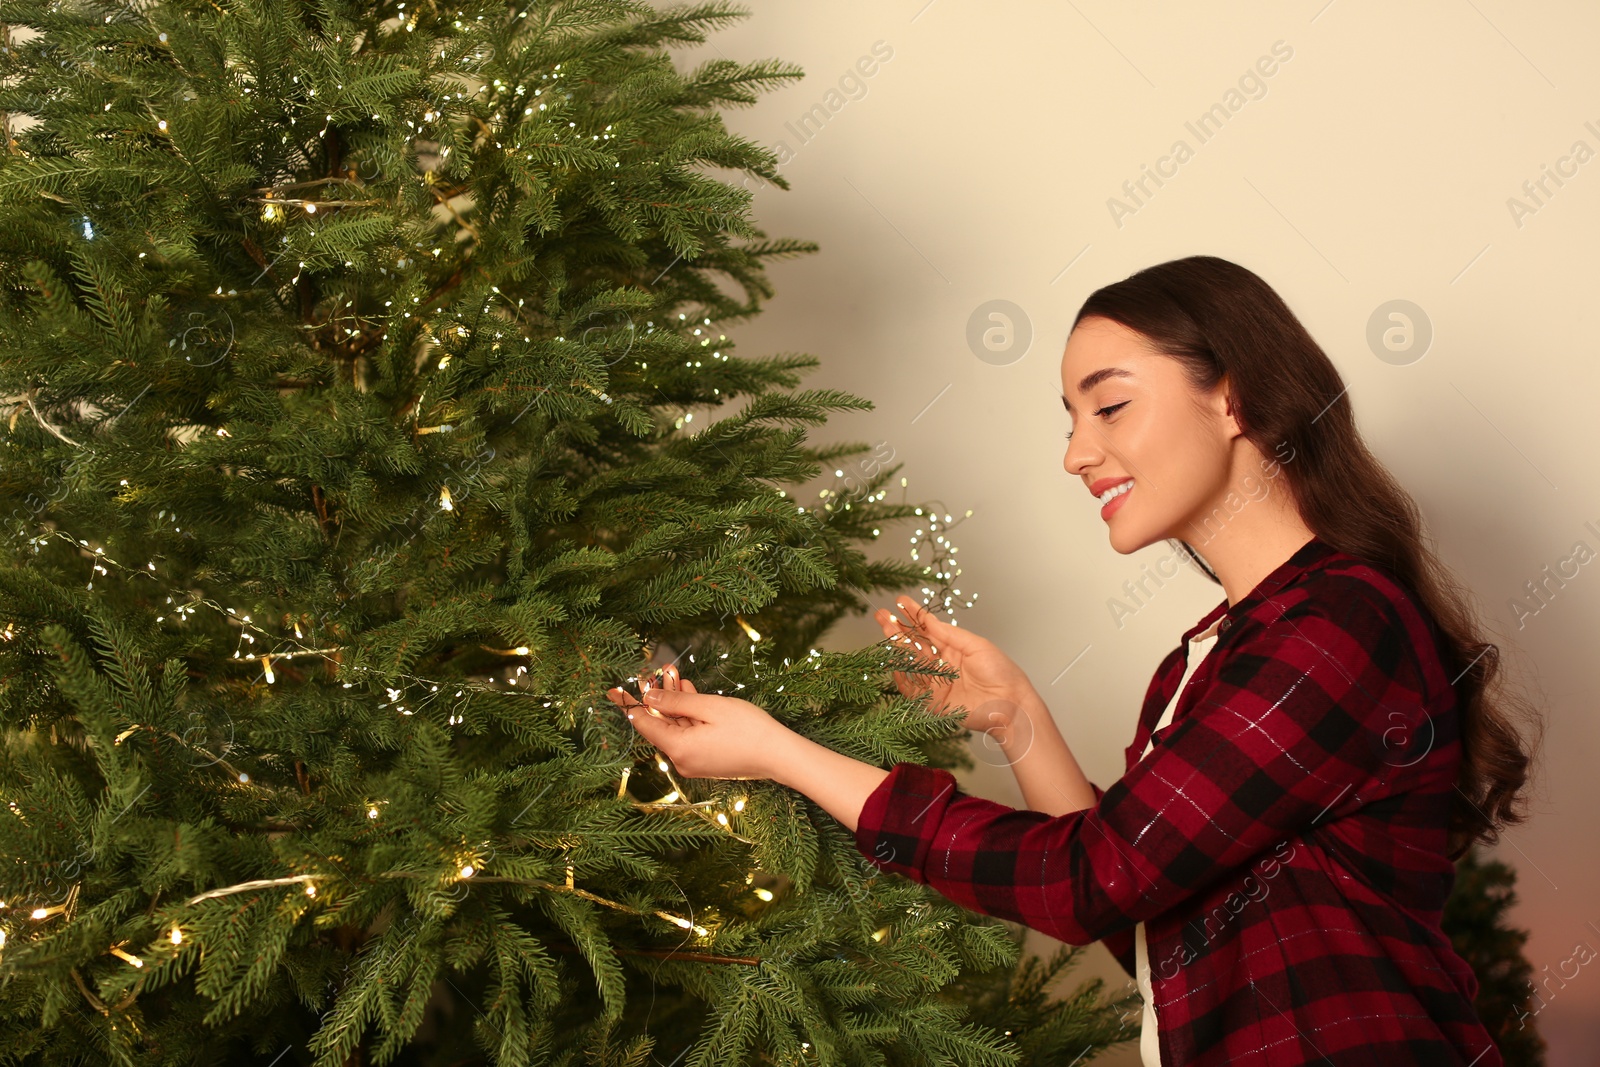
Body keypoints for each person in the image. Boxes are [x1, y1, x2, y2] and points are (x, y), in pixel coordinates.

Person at [605, 255, 1536, 1066]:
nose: (1076, 453)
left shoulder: (1338, 628)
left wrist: (785, 755)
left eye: (1112, 406)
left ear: (1234, 394)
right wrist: (1019, 719)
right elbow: (1140, 917)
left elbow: (1091, 877)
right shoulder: (1216, 653)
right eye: (1070, 418)